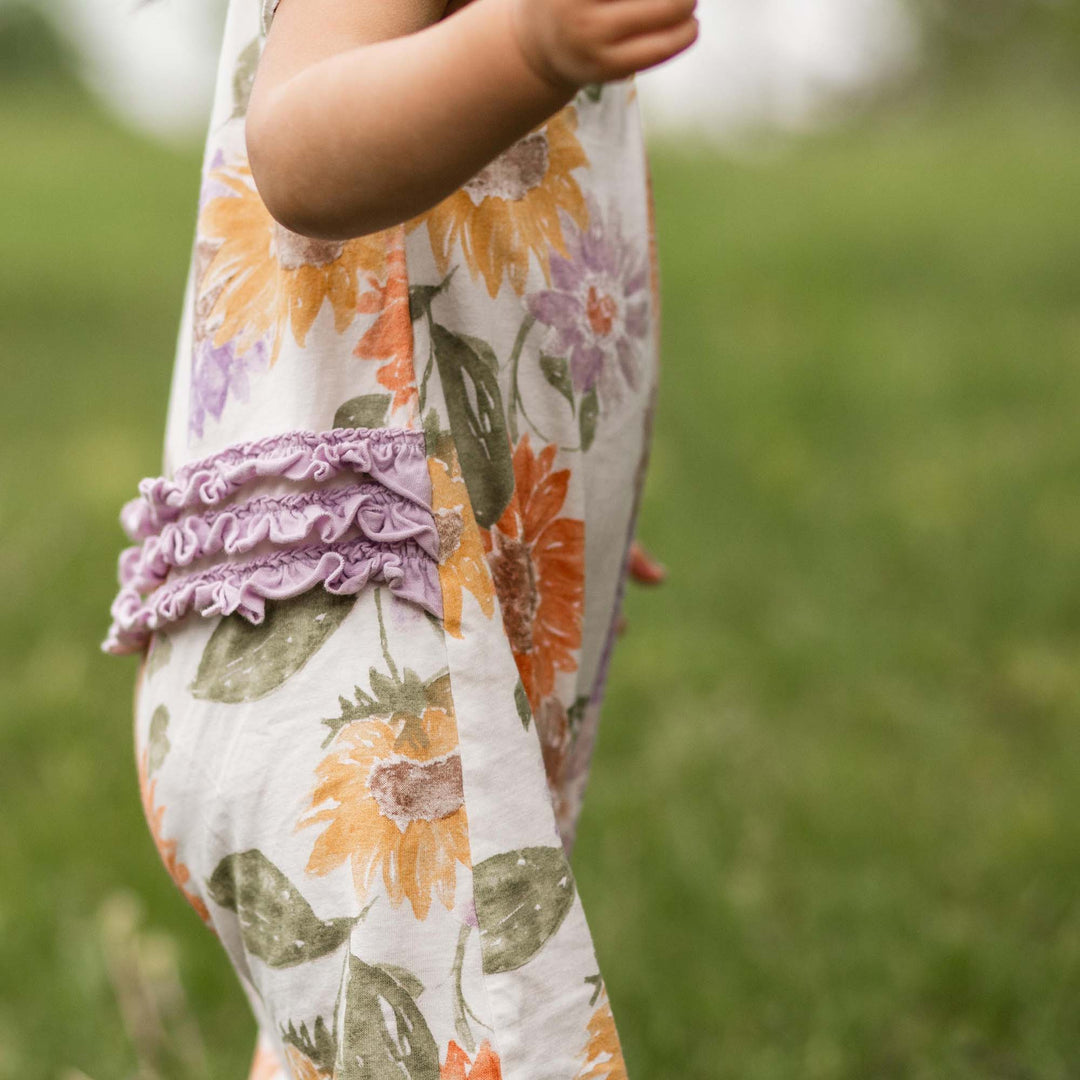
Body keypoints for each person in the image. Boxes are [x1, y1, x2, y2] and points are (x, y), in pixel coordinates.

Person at [102, 0, 695, 1071]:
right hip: (361, 639)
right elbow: (300, 149)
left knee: (378, 1047)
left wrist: (559, 499)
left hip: (411, 598)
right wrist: (528, 47)